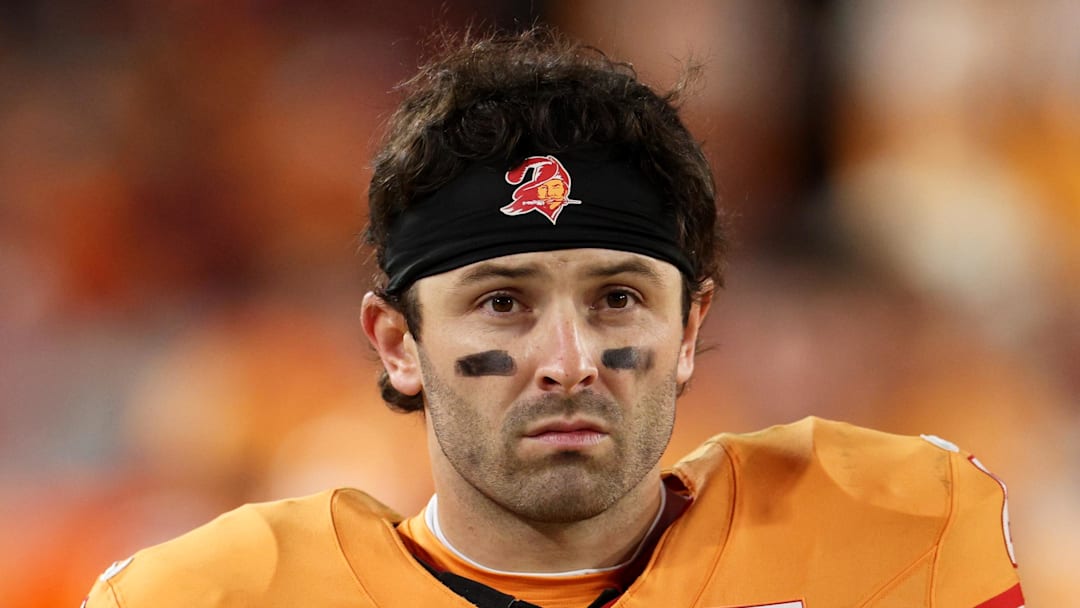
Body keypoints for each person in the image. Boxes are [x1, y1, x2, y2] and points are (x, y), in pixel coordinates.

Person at [83, 29, 1024, 608]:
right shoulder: (207, 597)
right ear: (398, 343)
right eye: (503, 303)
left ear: (689, 330)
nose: (569, 360)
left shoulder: (897, 530)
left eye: (617, 296)